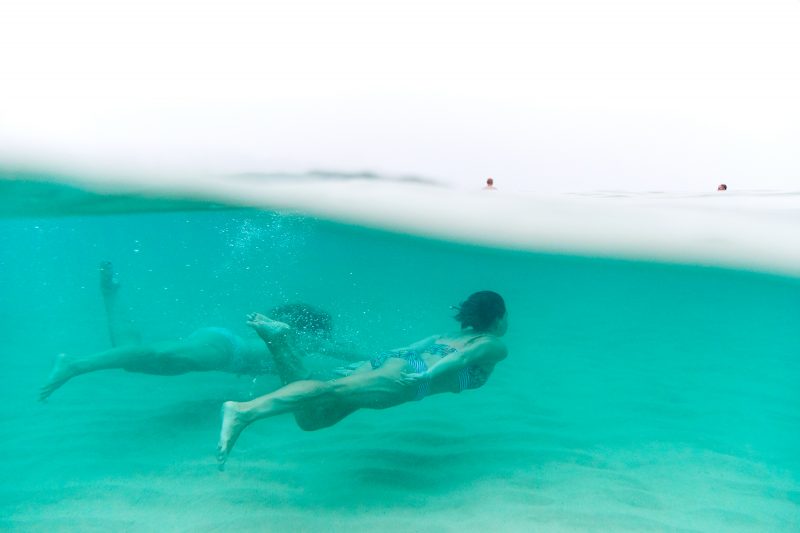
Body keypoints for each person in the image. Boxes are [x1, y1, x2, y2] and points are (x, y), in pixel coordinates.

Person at [216, 290, 509, 469]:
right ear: (498, 318)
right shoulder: (492, 343)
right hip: (410, 378)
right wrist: (426, 375)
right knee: (327, 391)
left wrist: (366, 364)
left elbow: (403, 350)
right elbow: (460, 359)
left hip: (398, 365)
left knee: (313, 419)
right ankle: (244, 411)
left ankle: (280, 341)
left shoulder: (448, 335)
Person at [39, 262, 363, 401]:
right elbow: (341, 350)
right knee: (158, 354)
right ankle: (75, 365)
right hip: (226, 348)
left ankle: (110, 293)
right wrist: (380, 359)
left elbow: (338, 352)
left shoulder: (298, 342)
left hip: (223, 353)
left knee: (133, 360)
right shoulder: (302, 339)